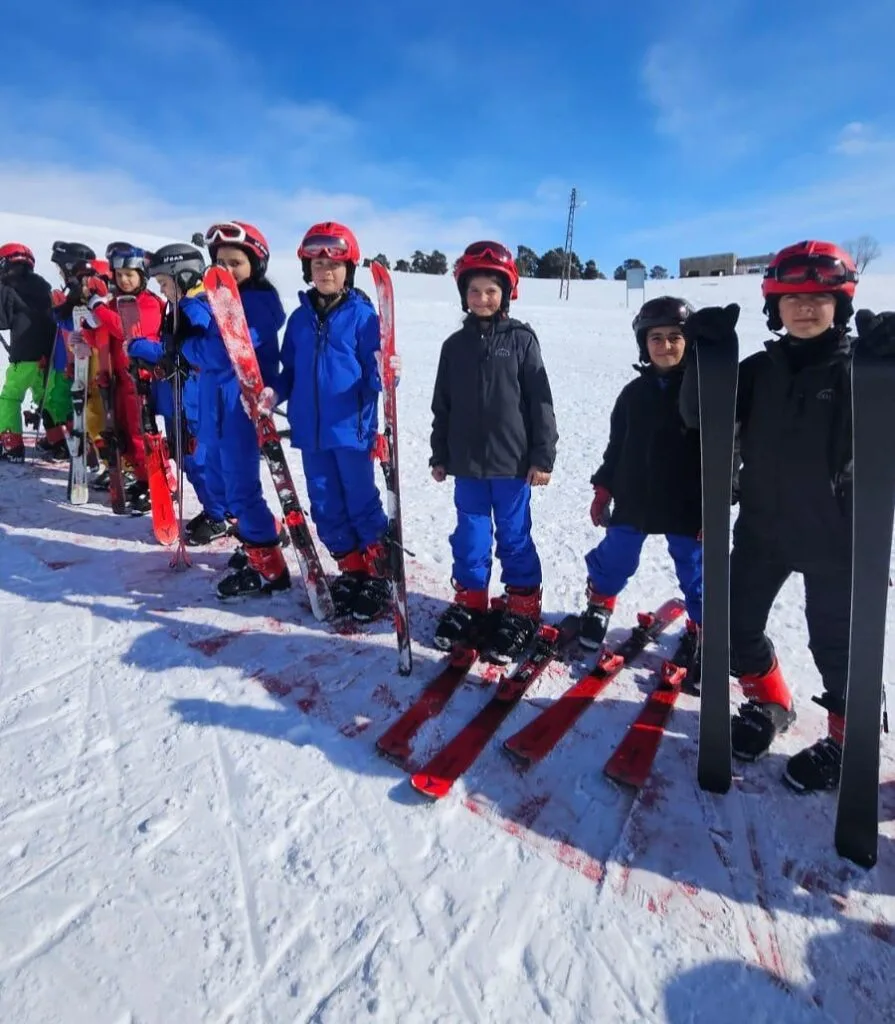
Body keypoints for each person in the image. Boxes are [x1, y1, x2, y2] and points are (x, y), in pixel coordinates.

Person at [681, 239, 882, 793]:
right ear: (775, 306)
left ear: (841, 303)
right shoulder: (758, 371)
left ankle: (848, 739)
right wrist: (705, 361)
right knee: (732, 627)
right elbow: (701, 418)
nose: (806, 307)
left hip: (837, 539)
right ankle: (769, 703)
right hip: (763, 529)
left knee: (838, 648)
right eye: (793, 297)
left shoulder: (857, 375)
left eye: (820, 296)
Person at [430, 240, 558, 664]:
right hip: (467, 466)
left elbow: (540, 401)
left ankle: (522, 607)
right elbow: (442, 404)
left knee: (514, 535)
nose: (482, 298)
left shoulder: (521, 340)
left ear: (506, 292)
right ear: (463, 294)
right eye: (474, 290)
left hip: (512, 465)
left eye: (491, 290)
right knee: (469, 536)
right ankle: (471, 601)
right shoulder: (454, 346)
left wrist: (543, 456)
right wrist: (439, 452)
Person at [273, 221, 392, 620]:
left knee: (360, 501)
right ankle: (351, 569)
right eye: (318, 264)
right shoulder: (299, 319)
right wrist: (274, 393)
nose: (325, 271)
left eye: (334, 265)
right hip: (309, 431)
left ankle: (377, 575)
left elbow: (376, 375)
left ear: (348, 271)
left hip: (351, 430)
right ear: (308, 269)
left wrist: (386, 369)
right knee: (324, 503)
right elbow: (288, 370)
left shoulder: (363, 317)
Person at [580, 296, 702, 676]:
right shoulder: (633, 394)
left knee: (695, 569)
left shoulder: (703, 392)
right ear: (644, 344)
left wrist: (715, 502)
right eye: (656, 338)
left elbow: (725, 451)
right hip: (635, 494)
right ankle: (600, 602)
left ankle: (702, 627)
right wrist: (604, 488)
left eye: (674, 337)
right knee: (616, 556)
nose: (665, 346)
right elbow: (617, 447)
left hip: (686, 501)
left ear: (688, 342)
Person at [181, 221, 286, 592]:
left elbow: (218, 353)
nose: (226, 269)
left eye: (236, 263)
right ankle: (262, 535)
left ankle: (269, 568)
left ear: (254, 266)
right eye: (220, 262)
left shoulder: (258, 305)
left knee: (240, 489)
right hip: (215, 409)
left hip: (240, 410)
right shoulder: (217, 299)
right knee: (217, 482)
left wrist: (186, 345)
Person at [80, 248, 164, 510]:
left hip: (139, 380)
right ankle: (141, 478)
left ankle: (155, 483)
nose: (124, 279)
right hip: (115, 379)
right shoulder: (114, 303)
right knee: (122, 434)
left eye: (130, 274)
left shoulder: (150, 303)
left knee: (141, 435)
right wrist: (88, 329)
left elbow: (127, 331)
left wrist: (99, 308)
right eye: (119, 274)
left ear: (142, 275)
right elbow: (102, 338)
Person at [0, 243, 56, 462]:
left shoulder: (7, 286)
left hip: (24, 355)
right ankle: (57, 439)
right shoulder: (44, 286)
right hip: (49, 355)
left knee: (10, 397)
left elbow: (3, 320)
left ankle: (11, 444)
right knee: (46, 398)